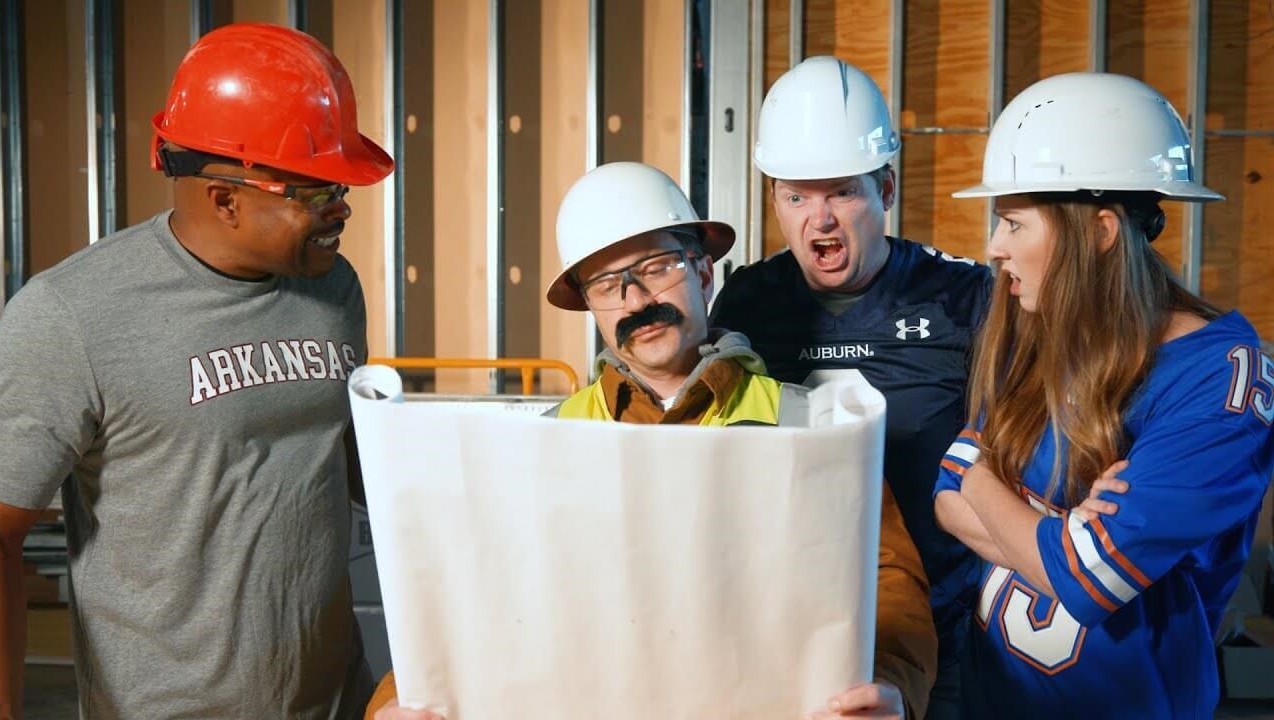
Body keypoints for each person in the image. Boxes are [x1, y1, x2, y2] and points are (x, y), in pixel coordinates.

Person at [367, 162, 936, 720]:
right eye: (609, 285)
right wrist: (396, 699)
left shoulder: (812, 426)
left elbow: (889, 581)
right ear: (591, 308)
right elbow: (468, 591)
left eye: (657, 266)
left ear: (704, 273)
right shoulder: (544, 443)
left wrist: (890, 686)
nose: (637, 300)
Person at [0, 23, 393, 720]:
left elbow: (340, 461)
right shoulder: (72, 316)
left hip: (336, 701)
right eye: (314, 191)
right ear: (225, 198)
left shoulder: (333, 289)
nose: (341, 209)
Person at [932, 72, 1273, 718]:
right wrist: (1043, 528)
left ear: (1100, 232)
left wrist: (984, 486)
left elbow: (1088, 580)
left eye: (1013, 223)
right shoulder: (1039, 329)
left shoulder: (1220, 377)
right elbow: (947, 492)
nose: (993, 247)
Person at [710, 56, 990, 717]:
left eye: (842, 191)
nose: (821, 219)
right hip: (792, 628)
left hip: (943, 628)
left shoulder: (963, 298)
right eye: (797, 196)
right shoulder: (748, 301)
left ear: (885, 188)